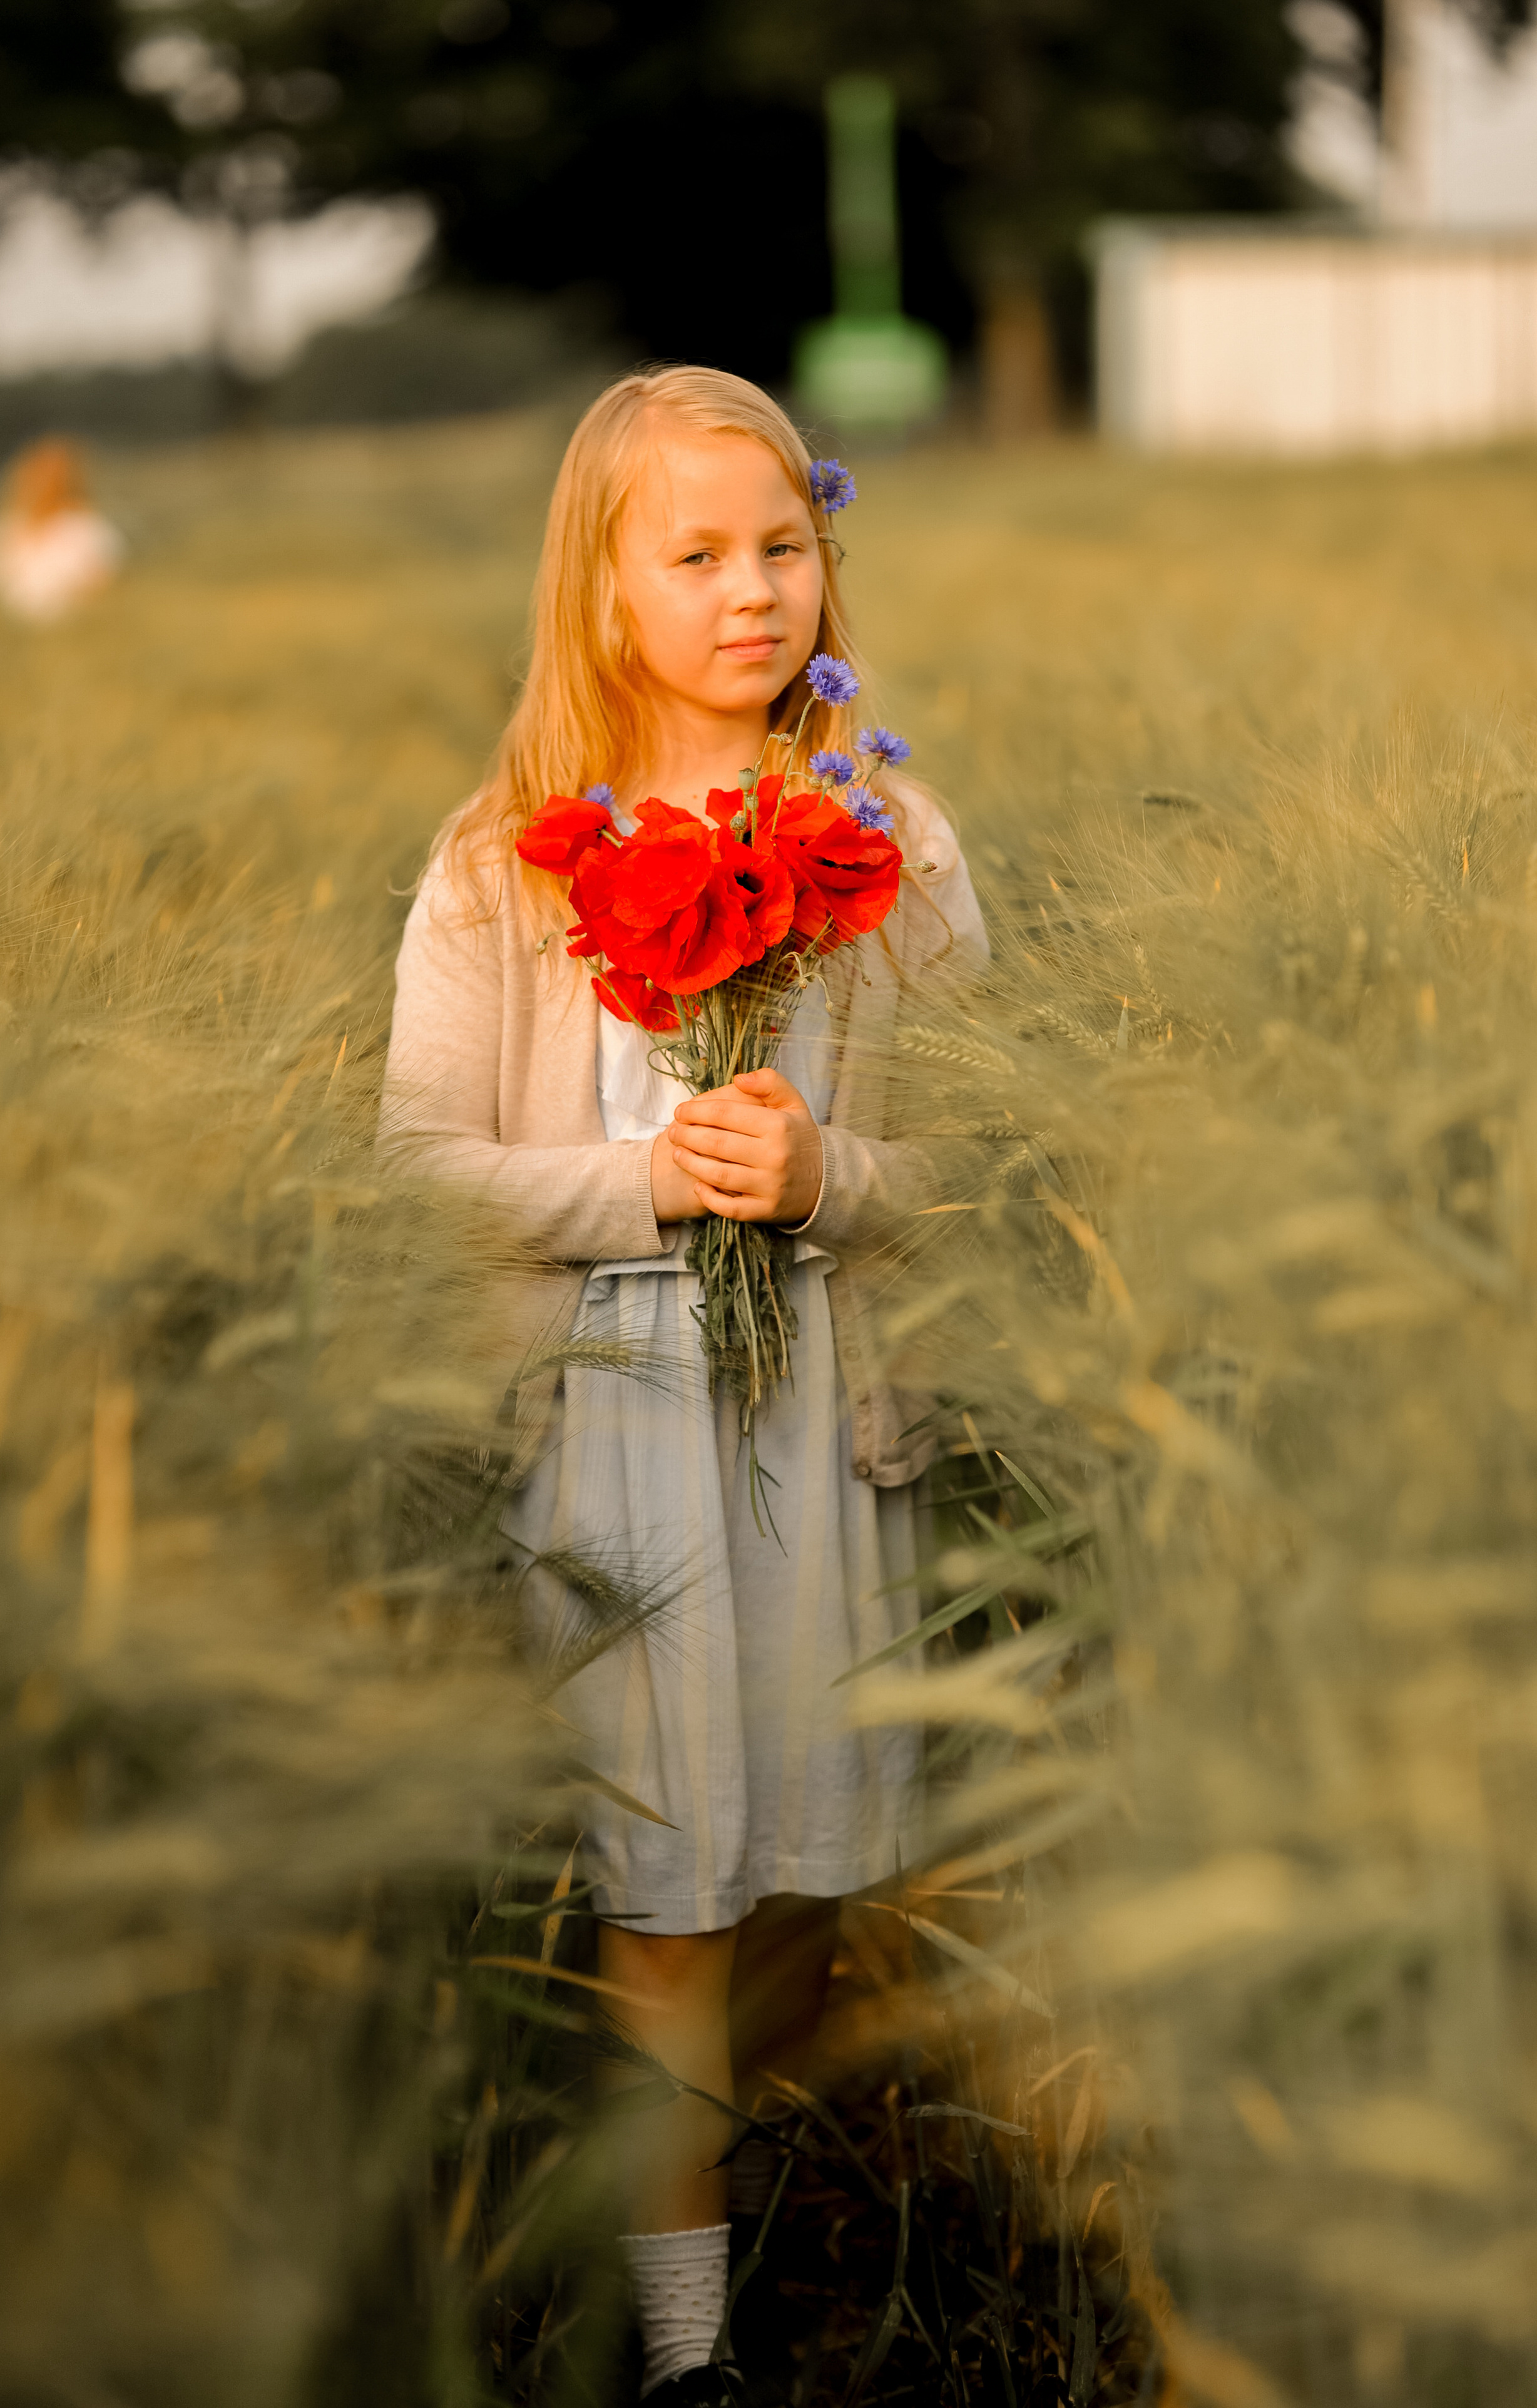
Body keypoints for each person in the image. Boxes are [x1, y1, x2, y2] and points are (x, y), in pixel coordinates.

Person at [379, 366, 985, 2404]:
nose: (754, 591)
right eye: (699, 554)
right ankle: (688, 2346)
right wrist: (645, 1181)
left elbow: (997, 1139)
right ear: (602, 584)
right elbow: (418, 1164)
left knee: (804, 1861)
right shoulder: (501, 862)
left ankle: (738, 2172)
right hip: (617, 1425)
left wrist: (834, 1174)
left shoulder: (888, 832)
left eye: (785, 547)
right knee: (663, 1891)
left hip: (829, 1407)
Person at [0, 438, 124, 624]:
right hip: (9, 630)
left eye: (55, 476)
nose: (45, 484)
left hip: (72, 630)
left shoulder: (90, 530)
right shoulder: (4, 529)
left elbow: (103, 591)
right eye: (39, 474)